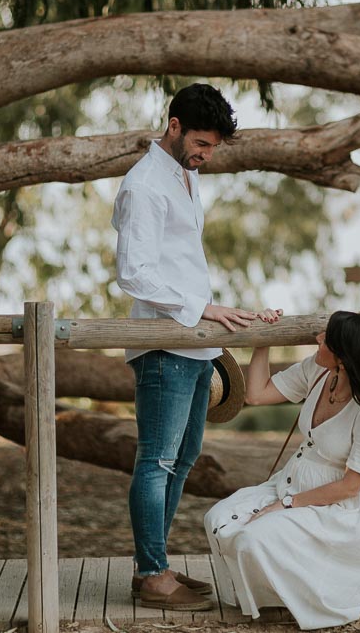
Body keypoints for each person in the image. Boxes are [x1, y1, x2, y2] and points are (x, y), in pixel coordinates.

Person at [111, 82, 281, 612]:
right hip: (164, 346)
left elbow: (180, 263)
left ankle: (154, 564)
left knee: (182, 460)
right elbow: (134, 275)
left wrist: (223, 311)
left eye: (213, 148)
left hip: (195, 344)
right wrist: (203, 310)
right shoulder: (144, 185)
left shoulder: (184, 176)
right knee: (157, 460)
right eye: (201, 144)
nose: (207, 155)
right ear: (174, 126)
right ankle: (151, 573)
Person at [204, 311, 360, 630]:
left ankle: (310, 592)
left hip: (341, 507)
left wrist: (283, 505)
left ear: (342, 356)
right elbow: (257, 394)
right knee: (217, 519)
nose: (317, 339)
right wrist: (262, 341)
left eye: (326, 338)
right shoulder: (319, 371)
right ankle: (273, 595)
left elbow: (351, 487)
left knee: (254, 539)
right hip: (292, 481)